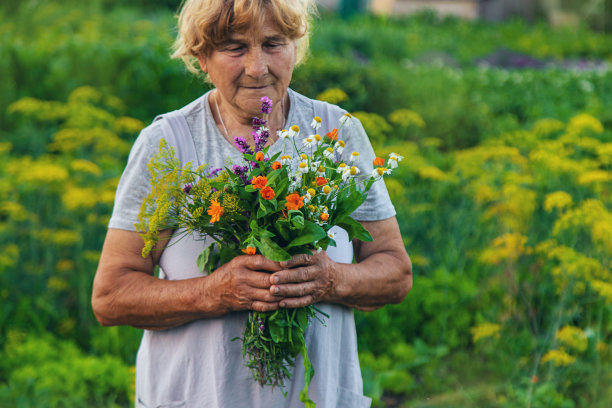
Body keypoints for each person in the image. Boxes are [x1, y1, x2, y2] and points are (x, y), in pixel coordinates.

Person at [91, 0, 412, 407]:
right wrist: (214, 292)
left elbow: (395, 272)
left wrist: (332, 279)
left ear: (297, 48)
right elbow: (110, 296)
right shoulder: (169, 145)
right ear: (201, 56)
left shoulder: (336, 134)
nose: (258, 67)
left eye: (274, 43)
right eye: (234, 47)